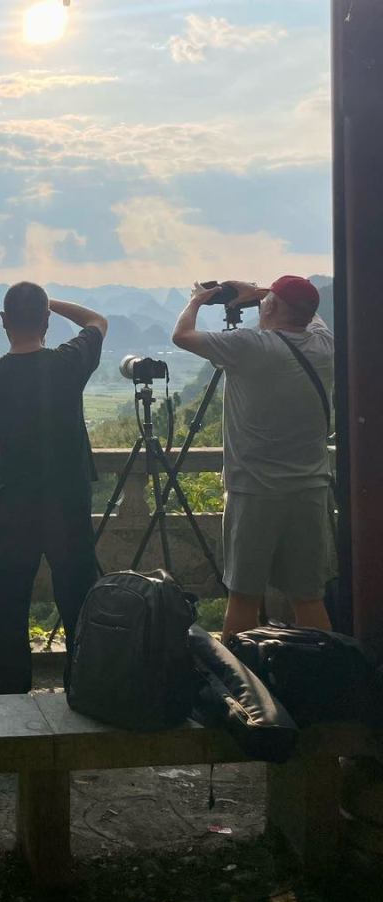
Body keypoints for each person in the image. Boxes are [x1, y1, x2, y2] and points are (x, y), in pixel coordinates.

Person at [172, 275, 334, 642]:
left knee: (244, 596)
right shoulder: (325, 344)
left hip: (255, 492)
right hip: (311, 490)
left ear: (271, 307)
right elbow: (308, 313)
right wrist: (263, 293)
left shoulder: (250, 345)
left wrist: (197, 299)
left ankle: (240, 676)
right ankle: (325, 672)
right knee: (308, 597)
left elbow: (182, 336)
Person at [0, 282, 107, 694]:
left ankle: (11, 689)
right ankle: (83, 684)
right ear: (47, 319)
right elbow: (96, 321)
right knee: (77, 599)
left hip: (12, 504)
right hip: (67, 504)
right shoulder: (68, 364)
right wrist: (51, 302)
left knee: (10, 602)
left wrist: (39, 306)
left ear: (3, 321)